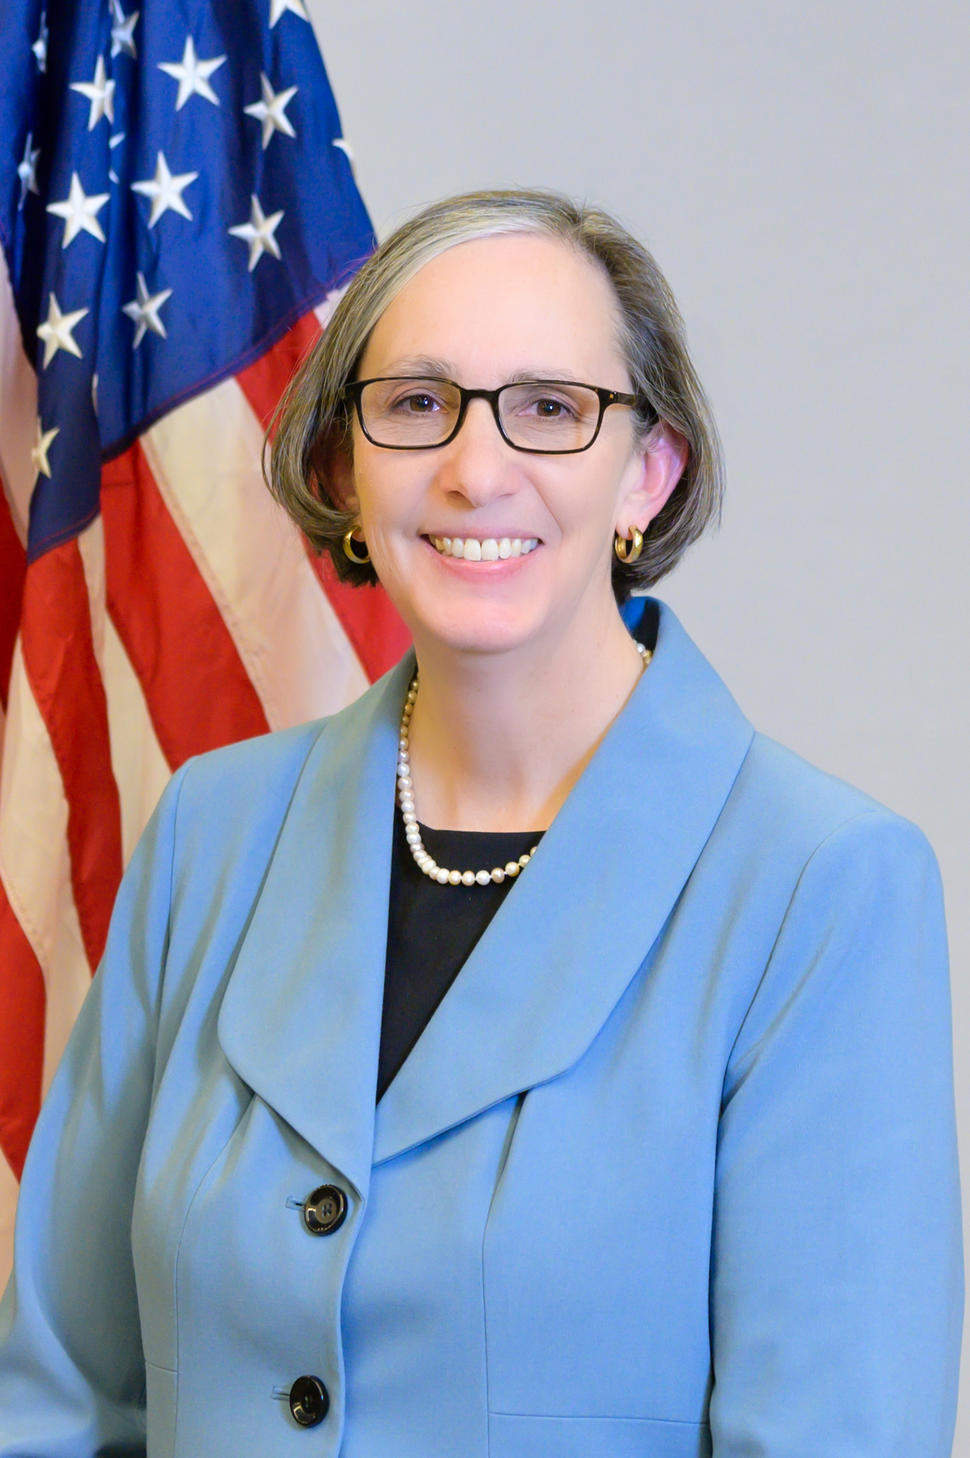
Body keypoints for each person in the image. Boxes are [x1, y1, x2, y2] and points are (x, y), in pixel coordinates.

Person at [0, 188, 962, 1456]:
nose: (475, 466)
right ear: (341, 467)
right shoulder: (212, 835)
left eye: (551, 409)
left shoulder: (821, 887)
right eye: (416, 404)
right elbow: (61, 1397)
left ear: (649, 471)